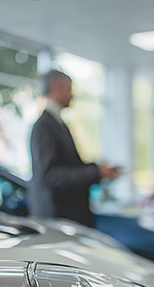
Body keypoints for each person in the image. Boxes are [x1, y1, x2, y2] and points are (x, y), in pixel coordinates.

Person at [28, 70, 119, 227]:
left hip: (68, 214)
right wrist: (96, 172)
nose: (72, 95)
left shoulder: (58, 124)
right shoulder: (44, 126)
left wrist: (98, 170)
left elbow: (68, 166)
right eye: (69, 89)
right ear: (56, 87)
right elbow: (51, 175)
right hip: (57, 217)